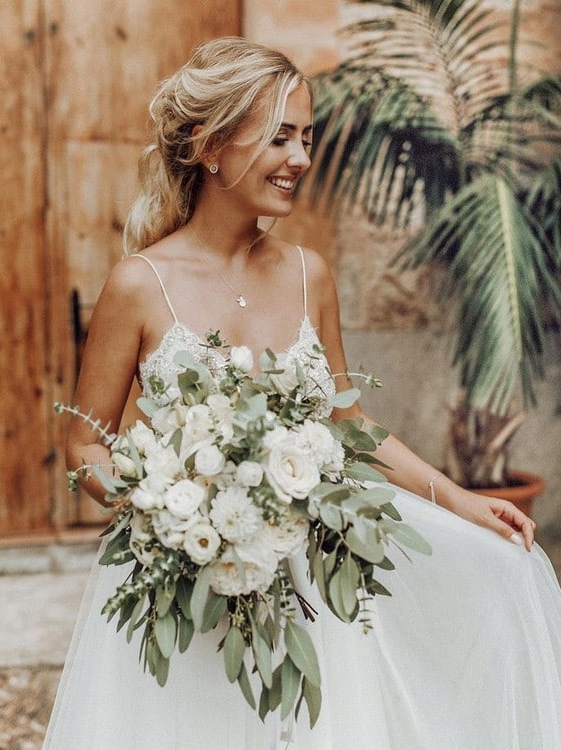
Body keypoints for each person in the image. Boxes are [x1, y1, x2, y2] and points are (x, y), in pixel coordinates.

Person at [43, 37, 561, 749]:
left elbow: (351, 427)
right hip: (185, 584)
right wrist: (158, 502)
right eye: (280, 136)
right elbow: (83, 441)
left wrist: (464, 503)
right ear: (211, 145)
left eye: (307, 138)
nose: (302, 160)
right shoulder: (139, 284)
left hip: (308, 590)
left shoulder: (310, 274)